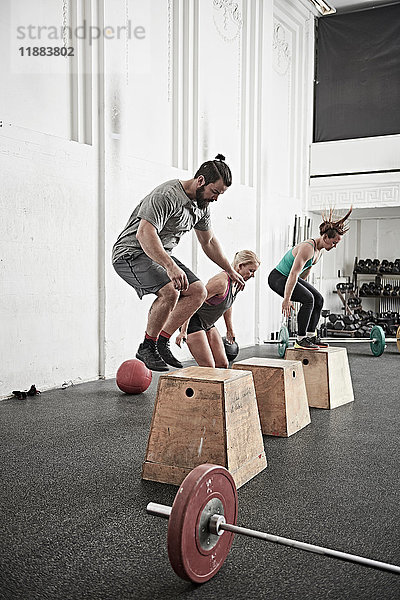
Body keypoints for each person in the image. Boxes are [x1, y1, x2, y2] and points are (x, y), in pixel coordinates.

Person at [112, 154, 245, 372]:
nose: (216, 199)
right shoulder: (168, 195)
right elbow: (145, 233)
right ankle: (148, 346)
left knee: (198, 291)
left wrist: (230, 270)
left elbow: (209, 241)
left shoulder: (201, 206)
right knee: (171, 291)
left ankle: (162, 342)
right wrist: (170, 266)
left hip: (158, 255)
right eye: (215, 192)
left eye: (220, 195)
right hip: (130, 253)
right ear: (201, 180)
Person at [268, 208, 352, 349]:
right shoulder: (308, 248)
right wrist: (287, 299)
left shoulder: (319, 251)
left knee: (318, 299)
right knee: (309, 299)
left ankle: (311, 336)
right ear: (325, 237)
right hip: (278, 277)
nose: (335, 246)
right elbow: (293, 274)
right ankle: (301, 340)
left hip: (289, 277)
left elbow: (303, 273)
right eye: (334, 242)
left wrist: (301, 289)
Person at [175, 250, 260, 368]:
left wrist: (230, 329)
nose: (253, 275)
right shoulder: (221, 282)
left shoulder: (236, 283)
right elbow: (192, 302)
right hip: (192, 321)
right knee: (208, 367)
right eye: (251, 271)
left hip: (208, 323)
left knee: (222, 364)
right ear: (240, 266)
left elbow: (228, 305)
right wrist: (183, 331)